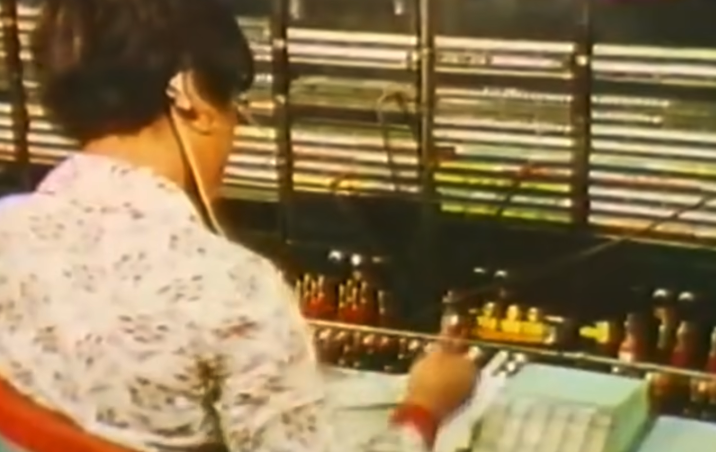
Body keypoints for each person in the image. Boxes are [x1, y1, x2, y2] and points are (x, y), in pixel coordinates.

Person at [0, 1, 479, 451]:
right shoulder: (233, 288)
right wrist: (424, 408)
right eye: (233, 105)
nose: (235, 134)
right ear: (188, 94)